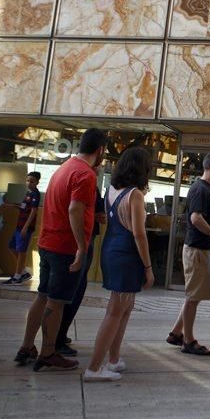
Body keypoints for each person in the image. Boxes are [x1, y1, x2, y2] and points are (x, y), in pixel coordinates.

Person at [14, 128, 107, 371]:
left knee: (43, 295)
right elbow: (75, 209)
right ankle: (48, 352)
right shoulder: (85, 175)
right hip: (65, 247)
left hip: (47, 243)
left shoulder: (63, 168)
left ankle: (26, 346)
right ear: (100, 150)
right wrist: (80, 246)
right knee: (57, 301)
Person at [85, 147, 155, 381]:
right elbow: (139, 234)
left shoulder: (111, 190)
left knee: (123, 309)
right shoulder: (135, 194)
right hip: (127, 253)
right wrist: (148, 267)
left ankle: (113, 359)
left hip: (111, 248)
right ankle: (94, 368)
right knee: (116, 311)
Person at [166, 152, 210, 356]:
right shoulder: (201, 189)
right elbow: (196, 219)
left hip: (200, 248)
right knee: (193, 296)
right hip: (197, 249)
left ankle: (176, 333)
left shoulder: (207, 189)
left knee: (195, 295)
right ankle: (188, 341)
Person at [56, 189, 106, 357]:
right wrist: (82, 246)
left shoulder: (66, 176)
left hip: (68, 241)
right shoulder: (86, 180)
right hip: (82, 240)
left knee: (67, 290)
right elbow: (80, 210)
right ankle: (58, 338)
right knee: (74, 289)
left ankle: (58, 335)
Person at [2, 171, 41, 285]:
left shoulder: (35, 194)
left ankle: (17, 276)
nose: (29, 183)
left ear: (37, 182)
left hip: (25, 228)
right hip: (18, 226)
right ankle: (23, 272)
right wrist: (12, 206)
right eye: (28, 180)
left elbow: (33, 212)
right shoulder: (28, 193)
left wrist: (25, 227)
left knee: (21, 251)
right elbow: (24, 208)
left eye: (32, 181)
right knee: (12, 247)